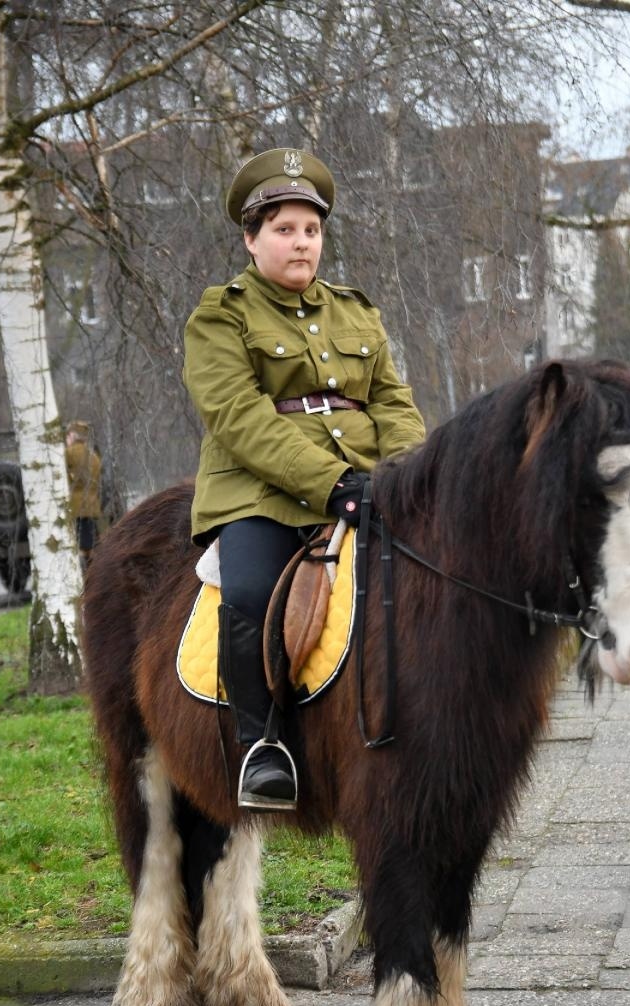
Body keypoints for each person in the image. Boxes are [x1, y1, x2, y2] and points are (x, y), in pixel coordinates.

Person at [184, 147, 426, 812]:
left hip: (370, 482)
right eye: (284, 229)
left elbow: (392, 402)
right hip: (259, 492)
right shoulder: (221, 315)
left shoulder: (356, 311)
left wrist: (408, 474)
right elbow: (238, 418)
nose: (301, 242)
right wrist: (331, 482)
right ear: (251, 238)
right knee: (250, 590)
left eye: (311, 230)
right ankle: (263, 747)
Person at [64, 420, 102, 575]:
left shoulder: (68, 454)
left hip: (75, 508)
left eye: (67, 436)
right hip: (92, 507)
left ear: (73, 435)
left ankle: (82, 576)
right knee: (92, 546)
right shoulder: (94, 456)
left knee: (79, 546)